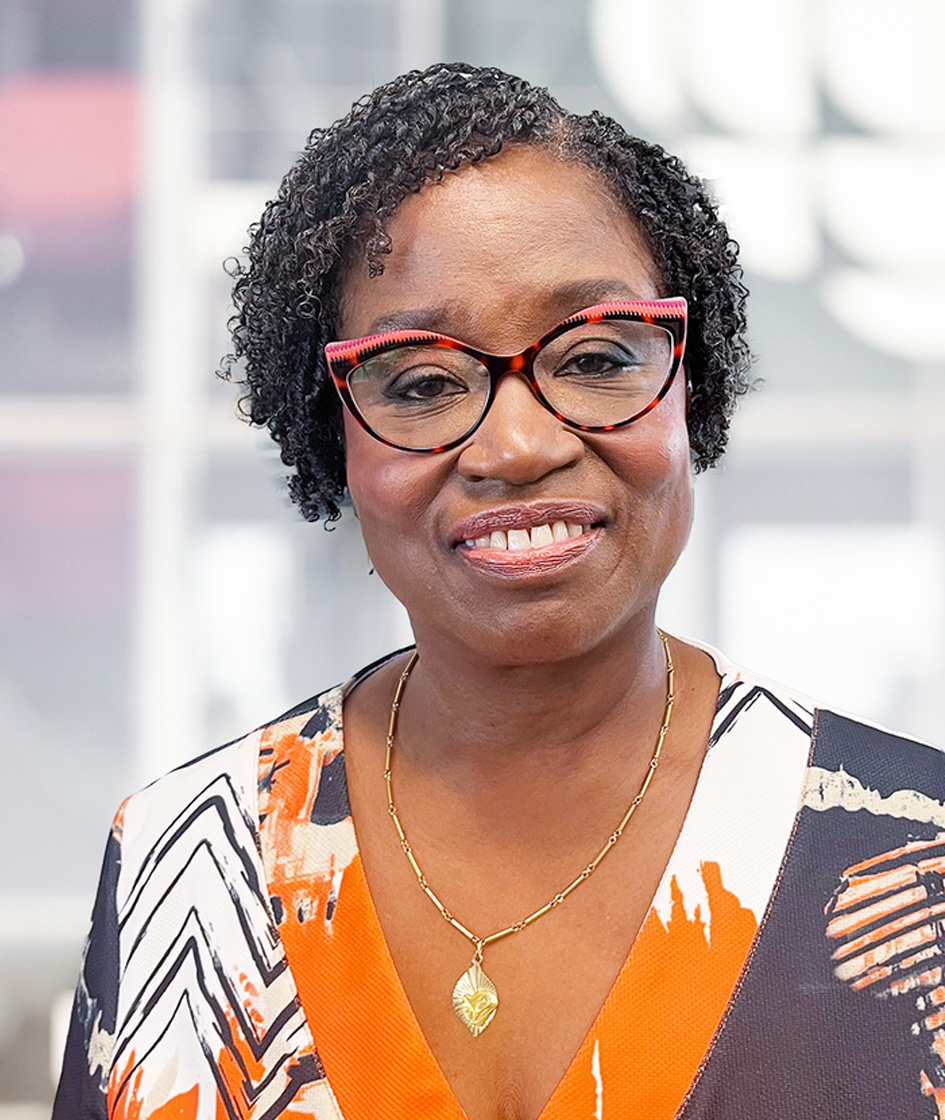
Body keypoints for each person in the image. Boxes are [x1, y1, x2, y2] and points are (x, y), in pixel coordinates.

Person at [53, 63, 945, 1120]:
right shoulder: (180, 860)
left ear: (686, 386)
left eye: (598, 354)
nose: (518, 444)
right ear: (329, 430)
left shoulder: (915, 853)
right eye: (423, 381)